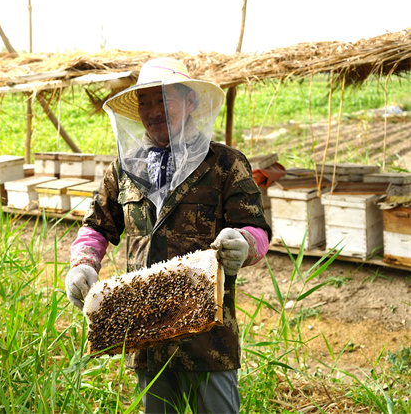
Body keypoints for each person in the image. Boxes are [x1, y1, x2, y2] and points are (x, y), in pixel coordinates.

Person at [65, 57, 271, 413]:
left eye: (162, 99)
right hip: (145, 335)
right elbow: (97, 226)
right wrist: (82, 263)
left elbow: (258, 229)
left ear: (190, 102)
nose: (151, 110)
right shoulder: (125, 169)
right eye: (144, 101)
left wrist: (245, 243)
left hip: (208, 338)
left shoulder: (225, 164)